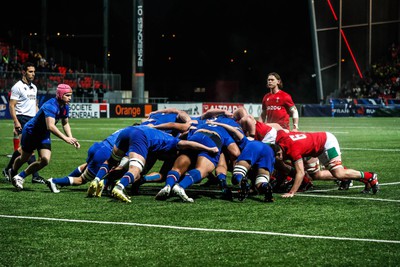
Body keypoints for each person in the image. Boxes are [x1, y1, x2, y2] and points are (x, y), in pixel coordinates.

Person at [87, 125, 219, 203]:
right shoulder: (173, 142)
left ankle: (97, 180)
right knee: (135, 169)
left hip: (129, 130)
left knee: (112, 161)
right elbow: (187, 144)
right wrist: (209, 149)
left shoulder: (156, 148)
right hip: (141, 136)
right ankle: (120, 187)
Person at [9, 84, 81, 190]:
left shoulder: (65, 106)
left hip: (43, 134)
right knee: (24, 158)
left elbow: (65, 123)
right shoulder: (51, 105)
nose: (70, 98)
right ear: (60, 95)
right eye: (67, 95)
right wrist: (65, 139)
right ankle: (13, 171)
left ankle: (20, 176)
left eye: (70, 95)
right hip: (31, 133)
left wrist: (71, 137)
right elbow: (50, 126)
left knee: (45, 160)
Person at [274, 130, 379, 198]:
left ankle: (370, 176)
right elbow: (280, 131)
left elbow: (300, 173)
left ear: (279, 153)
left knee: (339, 173)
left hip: (326, 143)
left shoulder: (292, 150)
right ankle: (355, 178)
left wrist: (292, 192)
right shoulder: (280, 139)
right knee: (316, 174)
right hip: (314, 147)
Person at [45, 127, 125, 193]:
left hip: (97, 146)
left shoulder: (125, 129)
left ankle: (65, 181)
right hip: (105, 153)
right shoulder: (135, 137)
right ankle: (54, 181)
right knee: (81, 180)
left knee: (86, 166)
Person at [3, 62, 45, 184]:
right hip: (22, 118)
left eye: (34, 72)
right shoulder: (17, 87)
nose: (33, 74)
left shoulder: (34, 87)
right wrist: (16, 122)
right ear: (24, 72)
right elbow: (11, 105)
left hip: (32, 120)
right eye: (30, 71)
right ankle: (35, 176)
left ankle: (7, 170)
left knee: (24, 149)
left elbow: (35, 105)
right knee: (29, 149)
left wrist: (40, 118)